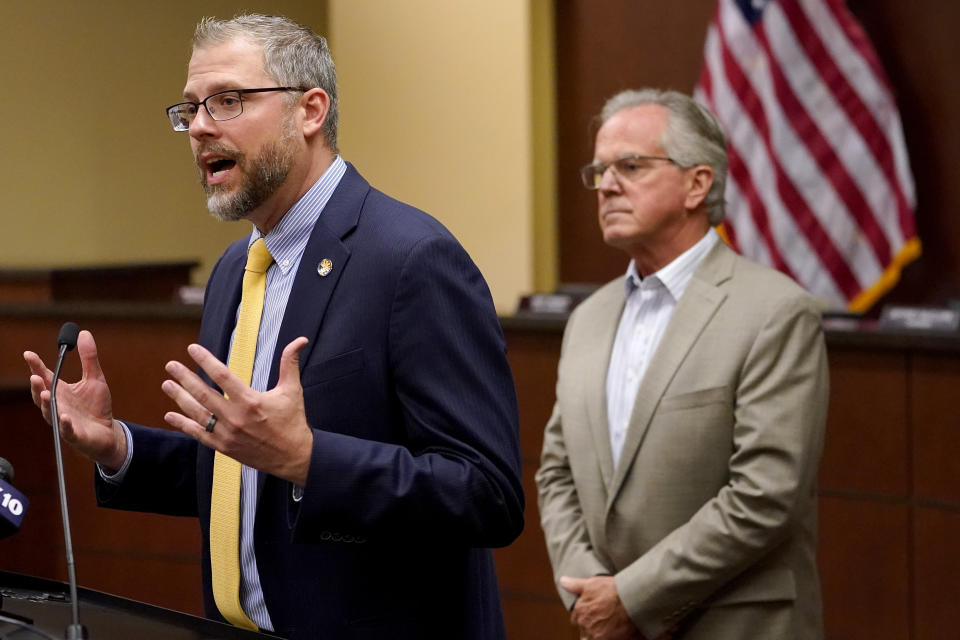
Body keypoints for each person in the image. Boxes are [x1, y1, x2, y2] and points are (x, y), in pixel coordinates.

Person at [24, 14, 523, 640]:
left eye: (228, 101)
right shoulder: (238, 267)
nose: (200, 125)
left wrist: (310, 458)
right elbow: (243, 469)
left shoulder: (410, 258)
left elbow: (487, 495)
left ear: (310, 111)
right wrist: (118, 447)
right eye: (190, 109)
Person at [535, 88, 828, 640]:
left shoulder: (774, 312)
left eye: (631, 165)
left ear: (698, 183)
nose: (608, 185)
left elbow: (766, 495)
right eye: (599, 170)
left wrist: (632, 596)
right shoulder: (589, 318)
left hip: (735, 623)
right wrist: (589, 588)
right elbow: (557, 473)